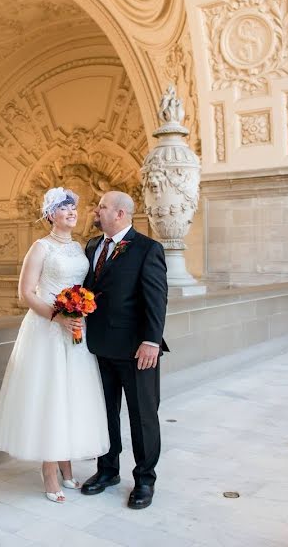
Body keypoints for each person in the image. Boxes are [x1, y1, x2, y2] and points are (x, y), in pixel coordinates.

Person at [0, 187, 109, 503]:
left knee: (71, 395)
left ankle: (67, 463)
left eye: (74, 208)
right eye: (64, 208)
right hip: (47, 330)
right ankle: (50, 471)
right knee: (51, 395)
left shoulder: (80, 248)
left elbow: (83, 287)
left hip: (75, 331)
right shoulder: (40, 248)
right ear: (51, 214)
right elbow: (26, 293)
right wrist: (58, 317)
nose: (72, 212)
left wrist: (79, 312)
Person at [80, 191, 169, 510]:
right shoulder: (92, 246)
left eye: (101, 207)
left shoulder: (148, 249)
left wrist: (151, 341)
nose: (96, 211)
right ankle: (107, 470)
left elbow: (157, 299)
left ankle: (145, 479)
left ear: (119, 214)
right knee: (104, 414)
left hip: (137, 350)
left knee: (142, 416)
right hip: (98, 346)